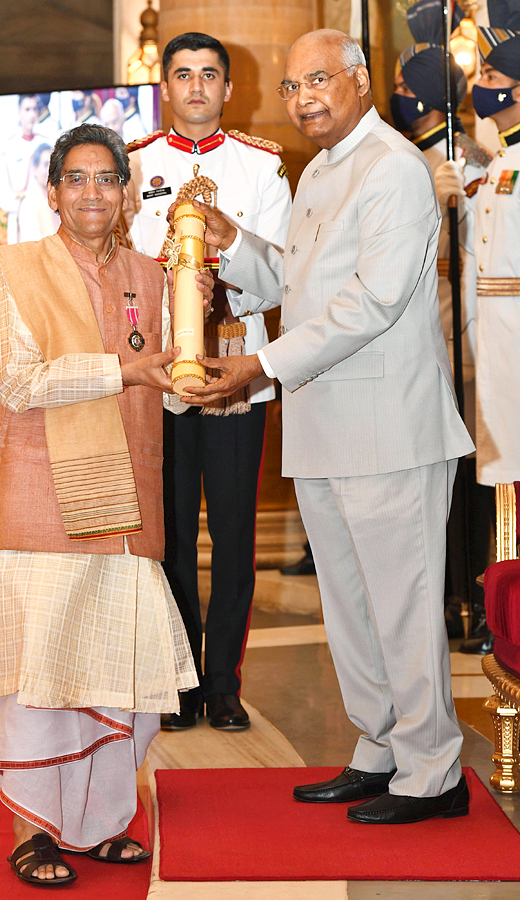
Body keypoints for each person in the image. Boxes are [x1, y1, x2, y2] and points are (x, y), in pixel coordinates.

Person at [183, 29, 474, 824]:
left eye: (319, 80)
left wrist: (262, 364)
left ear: (360, 81)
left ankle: (432, 771)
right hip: (322, 427)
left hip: (388, 429)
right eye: (290, 86)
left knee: (402, 604)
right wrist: (232, 243)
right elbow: (293, 280)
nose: (304, 97)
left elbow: (373, 301)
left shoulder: (394, 172)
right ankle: (379, 749)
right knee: (350, 607)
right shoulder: (318, 174)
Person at [0, 123, 212, 885]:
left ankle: (101, 824)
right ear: (53, 191)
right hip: (41, 504)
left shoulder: (153, 272)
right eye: (78, 179)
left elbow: (172, 397)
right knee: (43, 678)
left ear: (128, 192)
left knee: (118, 675)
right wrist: (130, 373)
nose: (93, 193)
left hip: (128, 508)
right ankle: (32, 830)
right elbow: (21, 383)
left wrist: (196, 344)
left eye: (108, 179)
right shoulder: (19, 268)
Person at [128, 32, 292, 731]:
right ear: (165, 85)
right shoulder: (131, 165)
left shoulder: (262, 167)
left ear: (229, 89)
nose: (196, 86)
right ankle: (179, 677)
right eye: (183, 74)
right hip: (159, 371)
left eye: (209, 76)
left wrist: (229, 250)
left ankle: (223, 679)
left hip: (234, 368)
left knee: (232, 531)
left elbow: (286, 272)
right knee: (165, 533)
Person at [391, 0, 493, 645]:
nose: (400, 96)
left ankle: (475, 595)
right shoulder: (410, 160)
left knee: (466, 483)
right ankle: (448, 592)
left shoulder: (463, 164)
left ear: (428, 98)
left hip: (458, 339)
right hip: (422, 339)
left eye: (405, 87)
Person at [434, 11, 520, 654]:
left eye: (492, 75)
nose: (480, 85)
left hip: (515, 334)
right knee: (498, 475)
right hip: (487, 337)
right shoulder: (494, 163)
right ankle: (501, 611)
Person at [0, 94, 47, 244]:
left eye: (34, 109)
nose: (31, 114)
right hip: (19, 218)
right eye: (27, 109)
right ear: (19, 113)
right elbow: (4, 197)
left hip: (45, 215)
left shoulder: (46, 142)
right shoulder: (8, 146)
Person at [17, 143, 59, 242]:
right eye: (45, 165)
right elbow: (34, 245)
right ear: (35, 169)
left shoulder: (58, 198)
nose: (50, 170)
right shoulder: (29, 203)